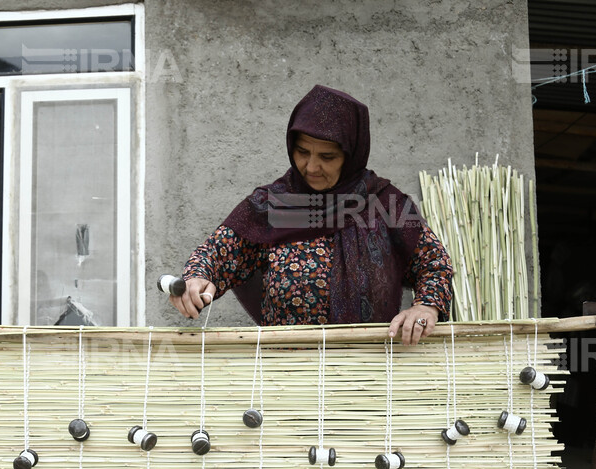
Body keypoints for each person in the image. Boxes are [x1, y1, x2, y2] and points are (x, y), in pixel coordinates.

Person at [170, 85, 453, 346]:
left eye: (327, 157)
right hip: (286, 376)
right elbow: (215, 255)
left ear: (352, 154)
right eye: (302, 151)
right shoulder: (272, 206)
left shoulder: (385, 205)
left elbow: (435, 263)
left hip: (367, 377)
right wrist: (195, 279)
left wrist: (425, 306)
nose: (311, 166)